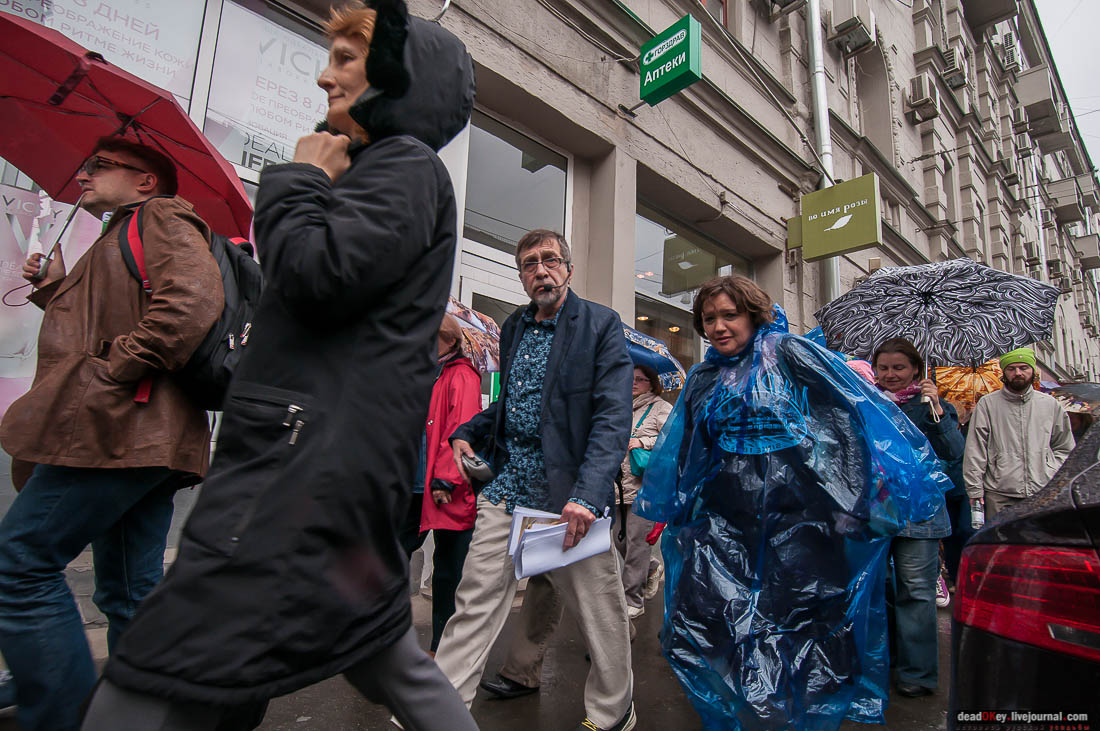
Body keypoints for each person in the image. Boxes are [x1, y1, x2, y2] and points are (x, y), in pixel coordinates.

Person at [81, 3, 478, 730]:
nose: (325, 75)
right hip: (318, 462)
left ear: (397, 75)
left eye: (347, 59)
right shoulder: (382, 169)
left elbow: (318, 277)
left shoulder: (405, 167)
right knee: (384, 652)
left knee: (149, 663)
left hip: (302, 470)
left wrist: (295, 178)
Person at [634, 275, 952, 730]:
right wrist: (680, 505)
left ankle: (794, 705)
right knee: (710, 610)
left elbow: (846, 423)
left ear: (753, 314)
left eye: (730, 315)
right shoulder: (705, 376)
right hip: (727, 514)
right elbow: (689, 447)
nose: (720, 327)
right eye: (709, 319)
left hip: (800, 513)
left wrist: (852, 502)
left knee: (803, 613)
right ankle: (752, 701)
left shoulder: (789, 354)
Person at [0, 137, 223, 731]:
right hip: (139, 436)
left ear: (147, 180)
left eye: (99, 166)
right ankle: (146, 715)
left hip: (117, 427)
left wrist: (116, 367)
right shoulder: (118, 232)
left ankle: (65, 716)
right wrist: (54, 287)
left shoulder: (161, 215)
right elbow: (106, 318)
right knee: (130, 590)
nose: (83, 175)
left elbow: (192, 302)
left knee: (19, 564)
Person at [437, 228, 637, 731]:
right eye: (529, 263)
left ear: (568, 269)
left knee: (600, 612)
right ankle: (437, 712)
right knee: (474, 604)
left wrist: (588, 496)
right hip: (508, 491)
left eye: (550, 260)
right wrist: (468, 430)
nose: (540, 270)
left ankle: (614, 713)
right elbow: (515, 405)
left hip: (569, 498)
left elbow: (612, 417)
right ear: (522, 276)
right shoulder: (515, 326)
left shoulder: (600, 325)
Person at [872, 337, 966, 698]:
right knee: (882, 589)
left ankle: (919, 673)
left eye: (899, 367)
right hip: (879, 511)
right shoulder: (870, 402)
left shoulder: (931, 405)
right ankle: (891, 661)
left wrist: (937, 410)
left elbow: (954, 453)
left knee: (915, 591)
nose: (891, 374)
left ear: (915, 369)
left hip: (920, 514)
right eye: (884, 368)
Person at [399, 314, 482, 653]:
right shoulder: (425, 373)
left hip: (445, 488)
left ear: (449, 341)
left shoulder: (462, 375)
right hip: (414, 484)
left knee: (448, 573)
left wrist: (445, 480)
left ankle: (442, 647)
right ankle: (385, 637)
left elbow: (460, 430)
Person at [963, 348, 1075, 519]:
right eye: (1011, 368)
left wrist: (1052, 470)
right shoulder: (988, 404)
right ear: (1004, 372)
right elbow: (976, 449)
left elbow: (1065, 446)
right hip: (1000, 493)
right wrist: (975, 489)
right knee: (1003, 544)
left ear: (1032, 370)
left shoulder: (1050, 405)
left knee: (1040, 542)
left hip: (1043, 490)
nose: (1018, 373)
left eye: (1023, 368)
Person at [616, 364, 672, 618]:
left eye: (640, 379)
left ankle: (632, 600)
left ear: (652, 383)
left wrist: (644, 441)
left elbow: (674, 439)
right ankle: (650, 567)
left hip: (644, 489)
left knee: (637, 544)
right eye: (631, 378)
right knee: (619, 543)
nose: (634, 383)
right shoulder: (620, 408)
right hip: (617, 486)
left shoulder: (661, 407)